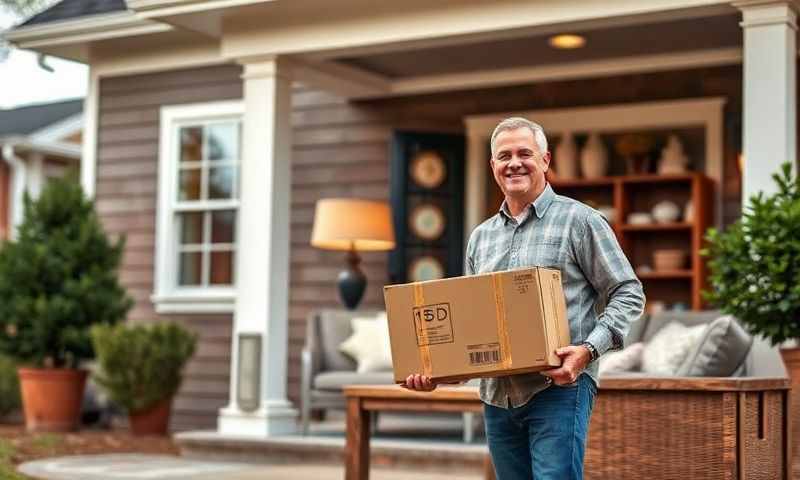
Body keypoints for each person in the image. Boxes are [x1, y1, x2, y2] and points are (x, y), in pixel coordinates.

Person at [402, 117, 645, 479]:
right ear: (493, 167)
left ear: (545, 160)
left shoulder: (580, 221)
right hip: (497, 396)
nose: (514, 163)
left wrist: (587, 351)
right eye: (504, 156)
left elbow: (628, 292)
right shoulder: (481, 237)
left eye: (524, 153)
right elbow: (473, 325)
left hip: (559, 388)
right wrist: (439, 370)